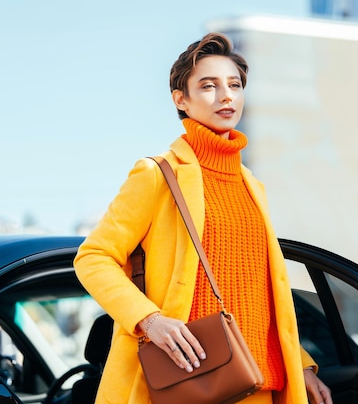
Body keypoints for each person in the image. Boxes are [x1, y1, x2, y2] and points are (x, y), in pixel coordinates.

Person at [74, 32, 333, 404]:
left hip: (262, 385)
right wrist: (150, 320)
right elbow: (93, 258)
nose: (226, 96)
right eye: (208, 86)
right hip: (190, 383)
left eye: (235, 85)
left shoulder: (251, 186)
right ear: (181, 99)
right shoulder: (158, 174)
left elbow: (261, 294)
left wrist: (302, 365)